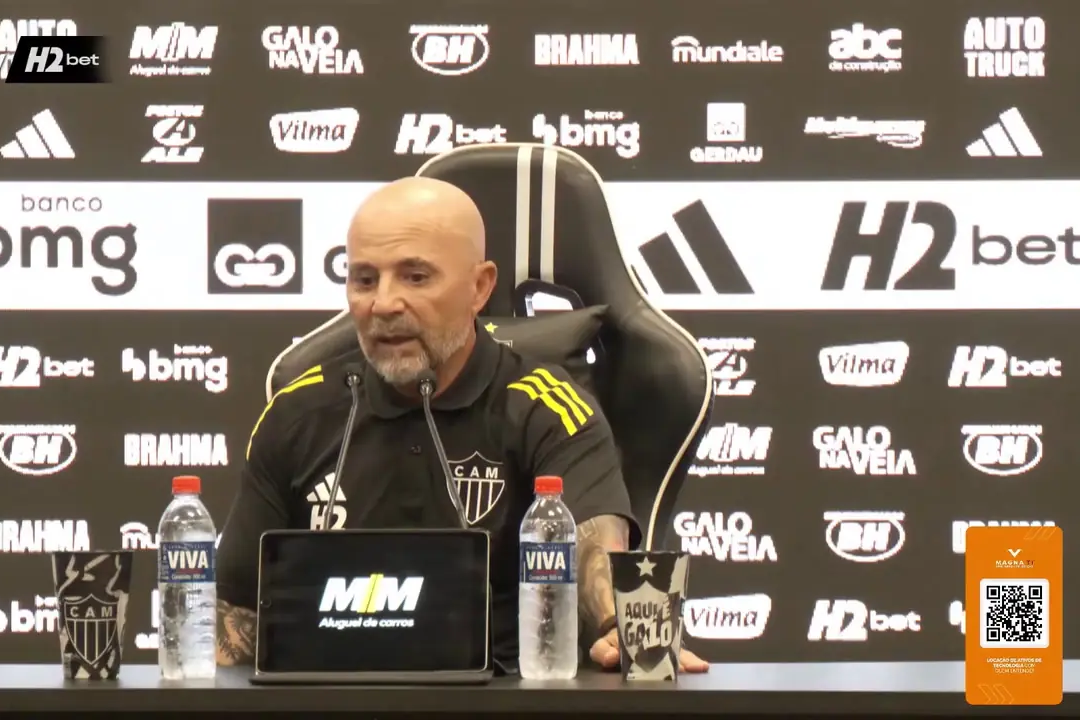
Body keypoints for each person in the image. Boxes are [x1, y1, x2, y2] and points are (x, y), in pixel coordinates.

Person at [214, 176, 709, 674]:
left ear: (479, 288)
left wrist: (618, 627)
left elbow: (592, 548)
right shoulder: (296, 412)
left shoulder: (549, 408)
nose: (383, 303)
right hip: (333, 693)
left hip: (499, 694)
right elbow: (233, 611)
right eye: (364, 280)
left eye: (415, 277)